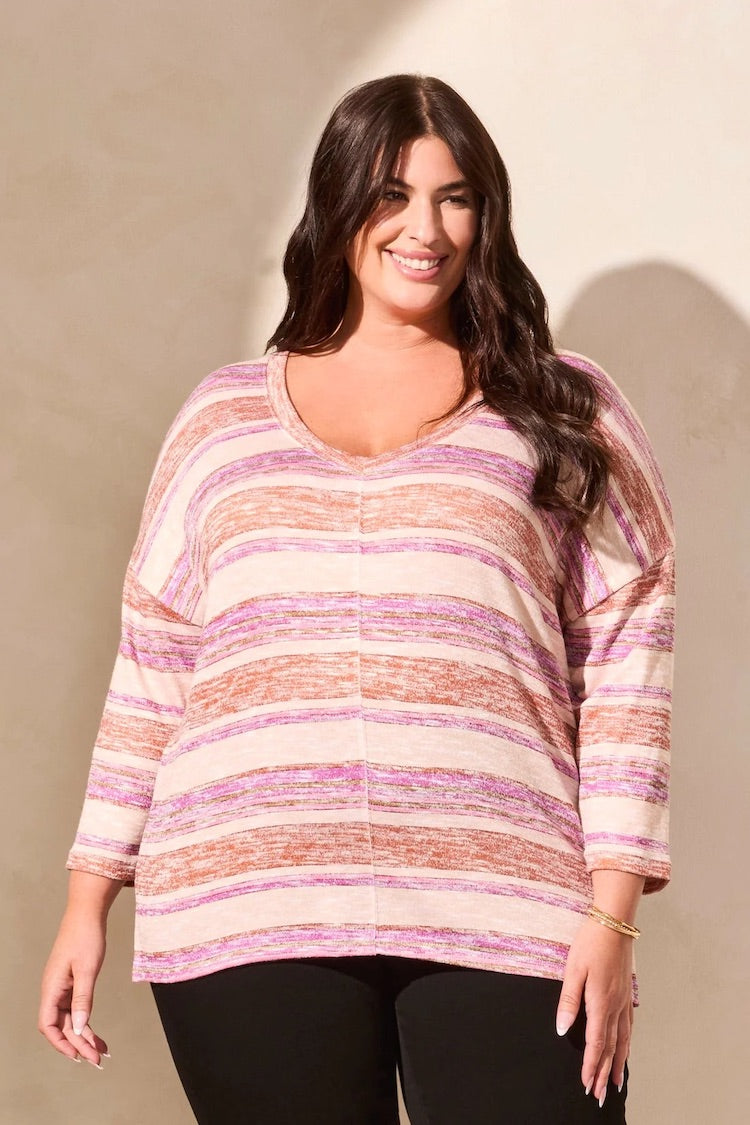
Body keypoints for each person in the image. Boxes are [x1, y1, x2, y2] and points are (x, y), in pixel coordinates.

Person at [38, 74, 676, 1124]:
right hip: (247, 900)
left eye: (455, 197)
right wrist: (86, 899)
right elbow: (154, 672)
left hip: (506, 896)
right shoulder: (222, 421)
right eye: (391, 194)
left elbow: (626, 665)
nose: (425, 228)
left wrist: (611, 920)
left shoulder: (562, 406)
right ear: (338, 205)